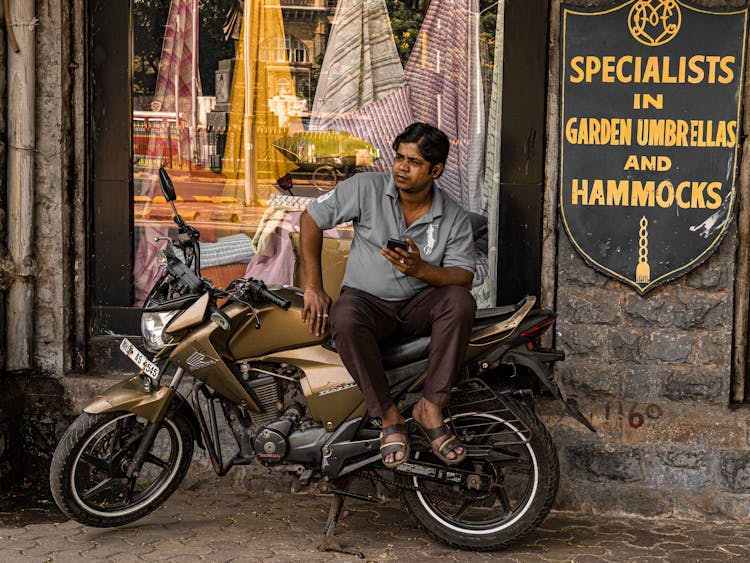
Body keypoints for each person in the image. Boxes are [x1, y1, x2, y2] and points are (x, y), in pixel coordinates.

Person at [299, 122, 476, 468]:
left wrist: (420, 270)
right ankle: (389, 416)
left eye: (413, 162)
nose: (401, 168)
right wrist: (314, 286)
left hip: (418, 306)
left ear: (435, 170)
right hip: (366, 302)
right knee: (345, 317)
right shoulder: (366, 187)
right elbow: (310, 219)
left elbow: (463, 277)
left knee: (459, 302)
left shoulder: (452, 216)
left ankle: (430, 408)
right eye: (398, 157)